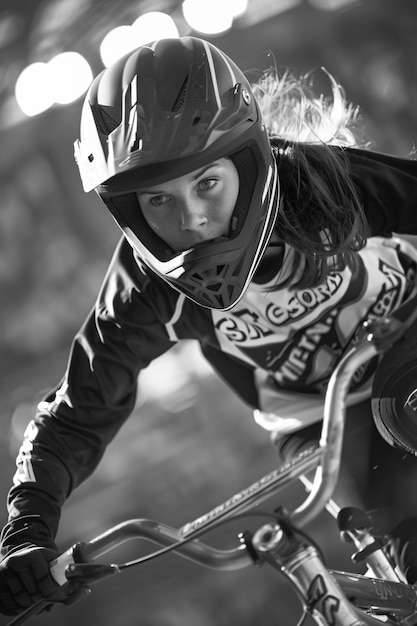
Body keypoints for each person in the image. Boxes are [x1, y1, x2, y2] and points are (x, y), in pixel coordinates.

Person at [2, 35, 417, 616]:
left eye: (207, 184)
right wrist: (26, 531)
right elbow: (73, 418)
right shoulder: (143, 293)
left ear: (249, 163)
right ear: (129, 213)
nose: (192, 220)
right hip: (323, 424)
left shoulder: (329, 188)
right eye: (158, 202)